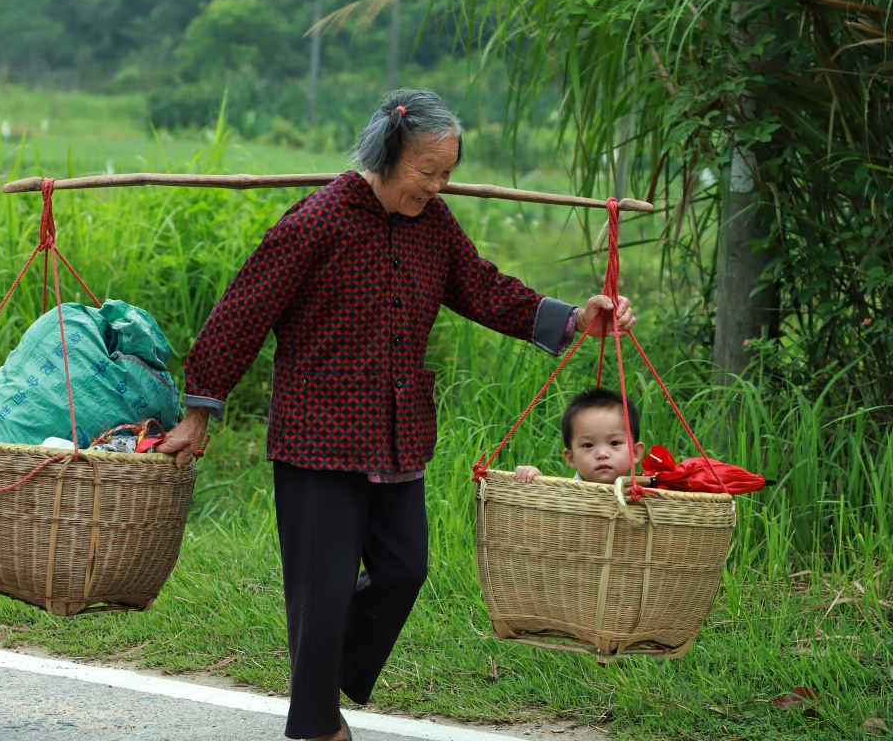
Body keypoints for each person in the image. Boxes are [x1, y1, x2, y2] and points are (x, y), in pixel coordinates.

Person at [155, 89, 637, 741]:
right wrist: (199, 413)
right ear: (386, 156)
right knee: (321, 590)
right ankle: (316, 724)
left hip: (396, 435)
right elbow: (243, 312)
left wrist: (577, 320)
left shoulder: (433, 227)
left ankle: (320, 672)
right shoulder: (315, 223)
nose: (438, 187)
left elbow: (486, 289)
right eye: (426, 172)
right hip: (316, 438)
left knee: (405, 569)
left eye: (447, 173)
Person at [514, 387, 647, 485]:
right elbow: (546, 503)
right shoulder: (566, 494)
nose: (602, 454)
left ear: (634, 452)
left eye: (614, 443)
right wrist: (536, 480)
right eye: (588, 445)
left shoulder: (644, 496)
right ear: (571, 458)